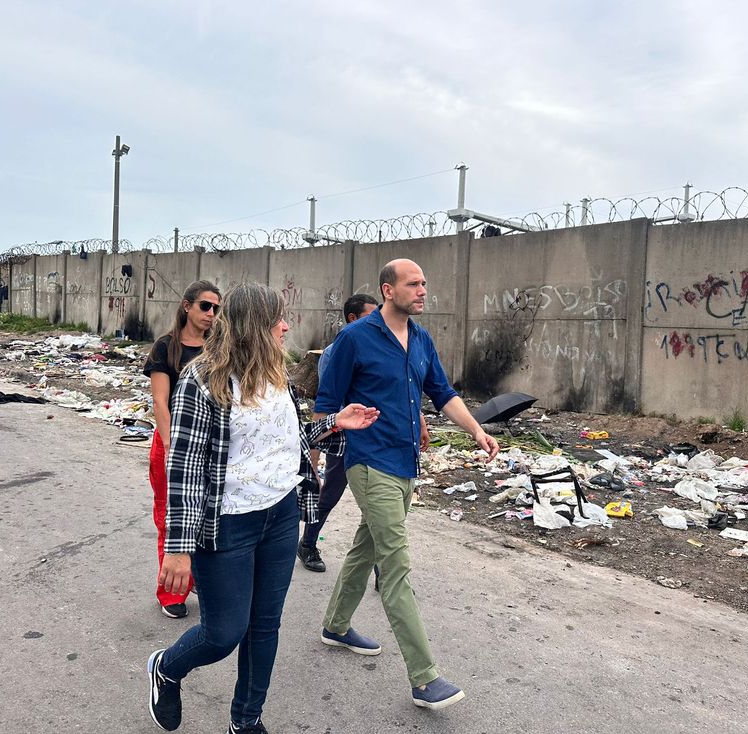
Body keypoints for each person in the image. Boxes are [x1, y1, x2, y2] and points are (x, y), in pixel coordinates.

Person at [146, 283, 379, 734]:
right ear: (254, 325)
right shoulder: (202, 381)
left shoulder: (276, 376)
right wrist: (178, 548)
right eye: (278, 319)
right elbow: (187, 465)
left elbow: (282, 446)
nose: (286, 326)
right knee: (224, 632)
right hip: (226, 524)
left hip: (280, 515)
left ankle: (246, 720)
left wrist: (334, 423)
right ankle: (167, 667)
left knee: (265, 626)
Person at [315, 258, 499, 710]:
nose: (422, 290)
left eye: (424, 283)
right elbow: (326, 401)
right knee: (395, 566)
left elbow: (444, 392)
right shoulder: (354, 338)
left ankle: (336, 625)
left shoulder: (420, 339)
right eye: (413, 284)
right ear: (387, 290)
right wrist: (316, 453)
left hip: (404, 462)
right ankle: (424, 677)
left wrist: (476, 431)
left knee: (369, 543)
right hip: (368, 461)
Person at [297, 293, 431, 574]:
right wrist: (314, 458)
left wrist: (417, 418)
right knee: (331, 493)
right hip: (350, 438)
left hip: (383, 440)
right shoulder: (339, 351)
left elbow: (402, 388)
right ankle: (308, 543)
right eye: (373, 314)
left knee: (382, 506)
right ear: (353, 319)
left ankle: (385, 567)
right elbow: (327, 403)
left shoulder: (396, 343)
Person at [143, 280, 221, 619]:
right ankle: (171, 592)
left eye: (217, 309)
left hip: (211, 448)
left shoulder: (218, 348)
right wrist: (171, 447)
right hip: (172, 446)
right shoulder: (167, 347)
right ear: (186, 306)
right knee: (171, 518)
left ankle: (199, 578)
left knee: (207, 518)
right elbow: (160, 401)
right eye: (205, 306)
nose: (211, 314)